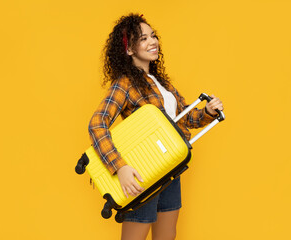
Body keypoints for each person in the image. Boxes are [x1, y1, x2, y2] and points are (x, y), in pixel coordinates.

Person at [88, 13, 224, 240]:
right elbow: (97, 124)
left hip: (171, 166)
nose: (152, 41)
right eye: (143, 39)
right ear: (129, 49)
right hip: (143, 172)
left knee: (167, 235)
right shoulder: (125, 83)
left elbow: (183, 119)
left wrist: (208, 113)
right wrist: (120, 167)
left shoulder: (162, 83)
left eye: (153, 36)